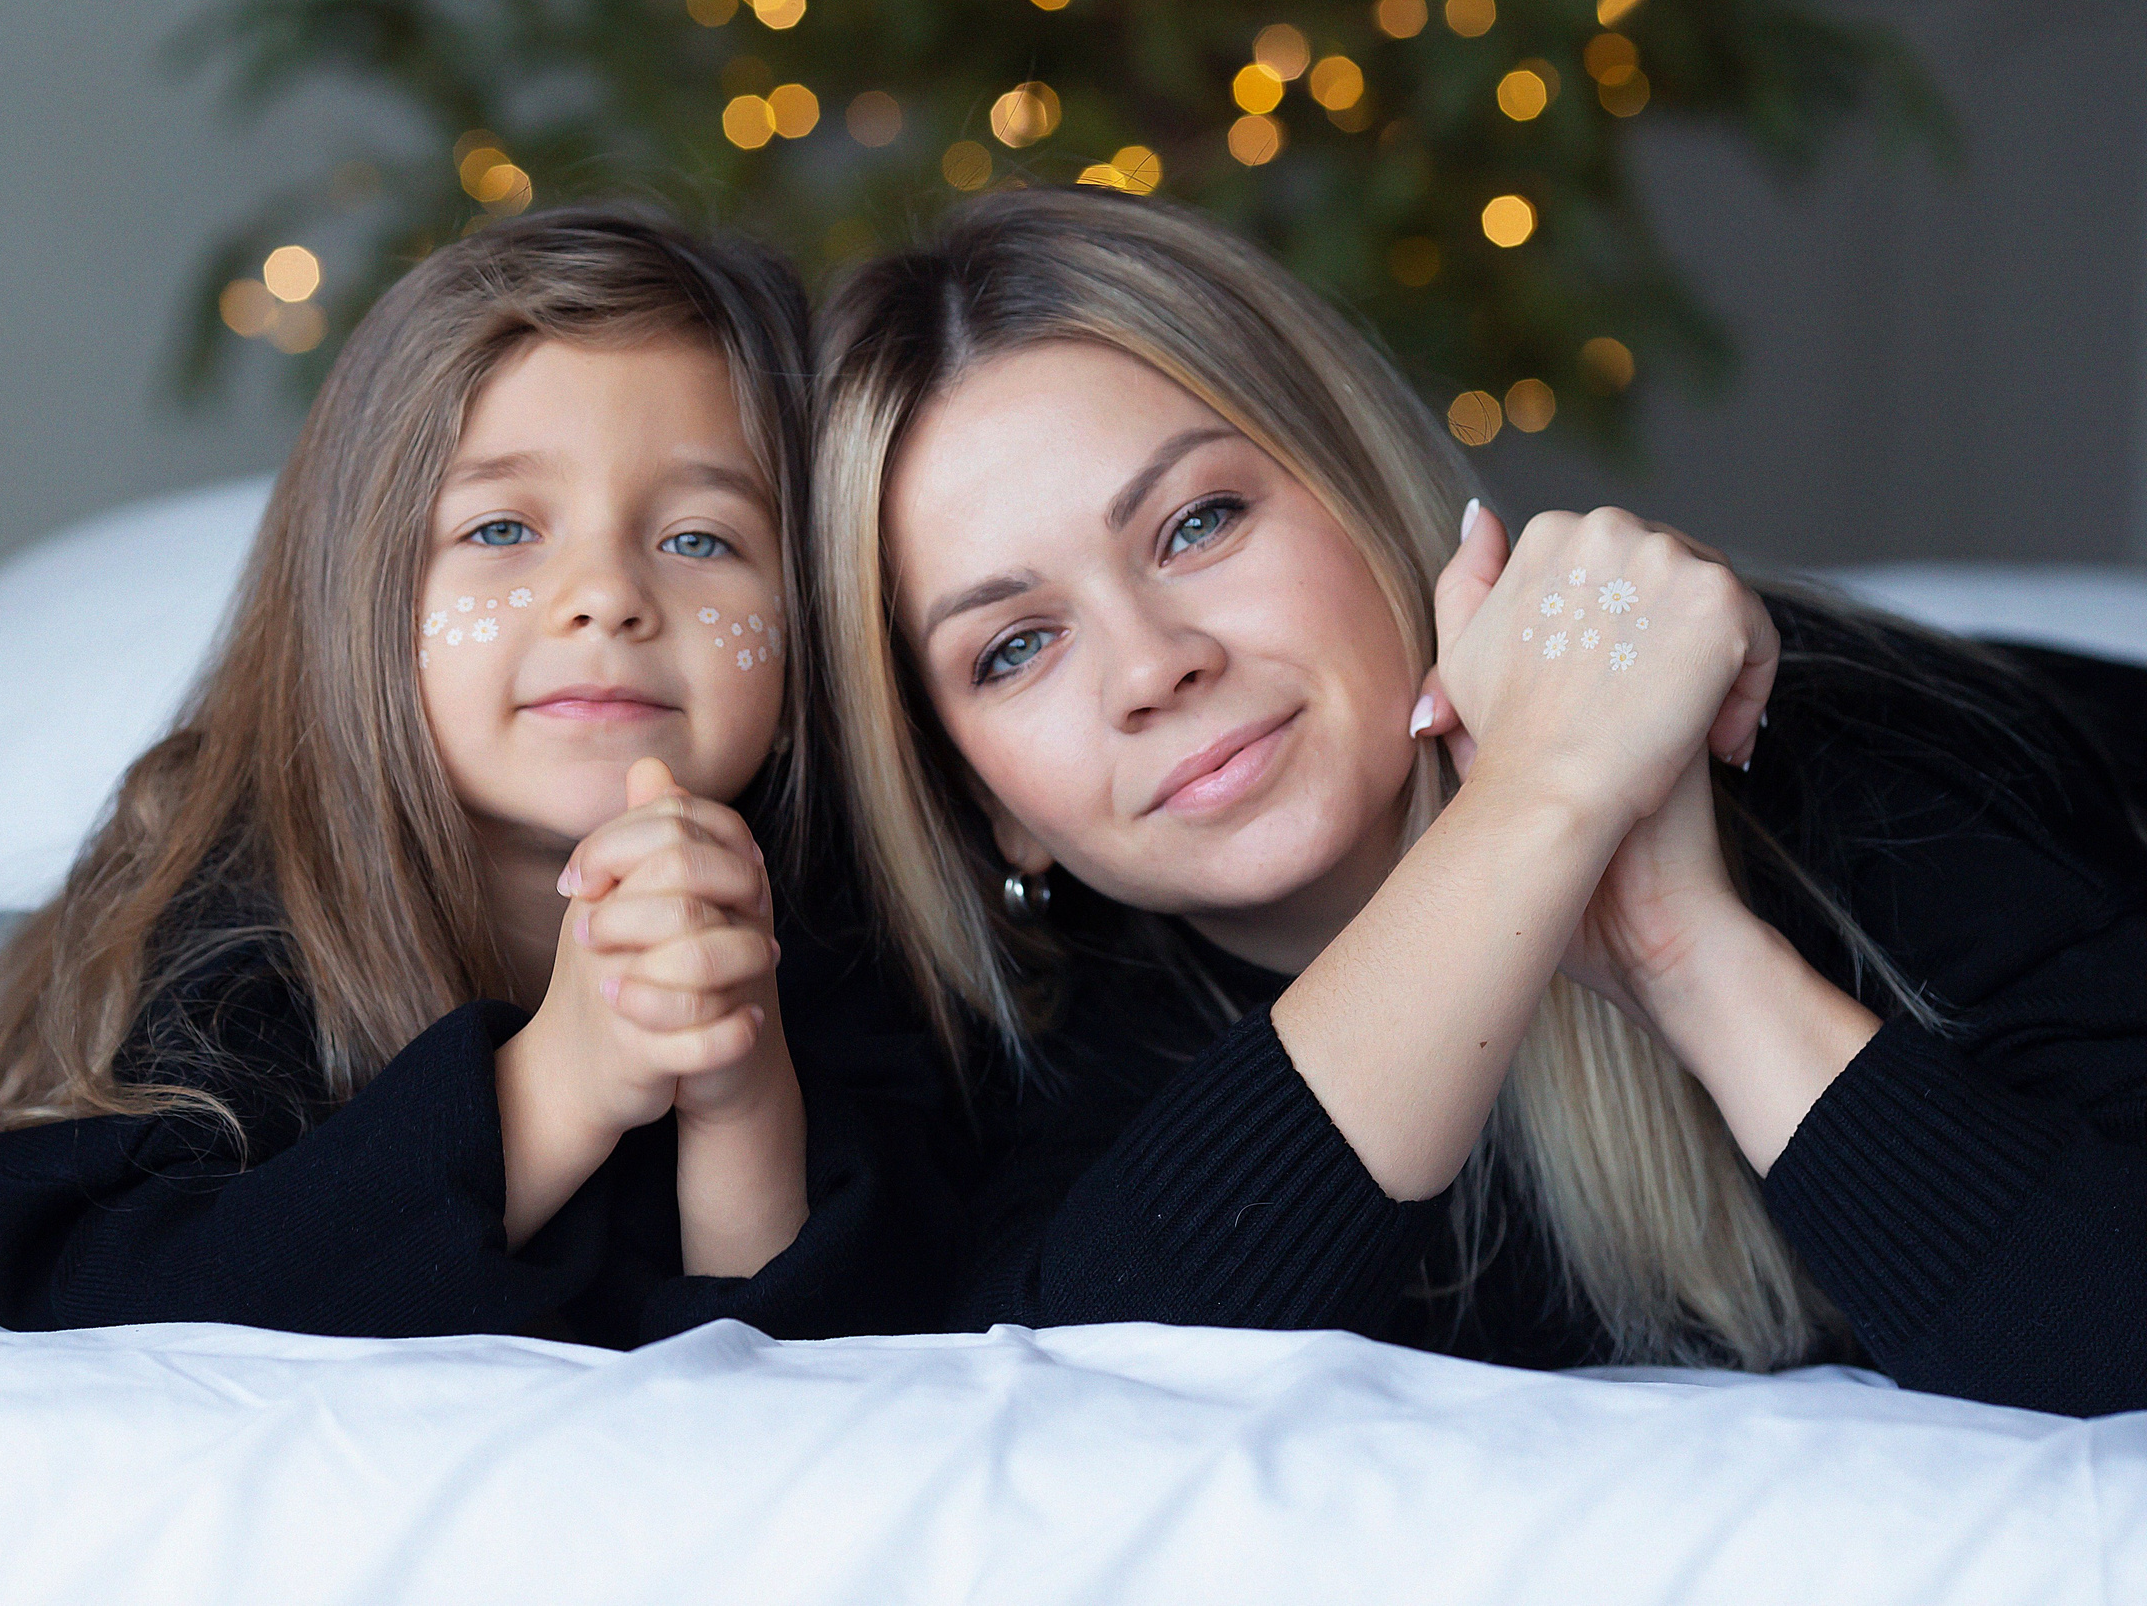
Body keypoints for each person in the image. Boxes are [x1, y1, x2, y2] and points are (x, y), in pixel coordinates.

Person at [809, 187, 2147, 1416]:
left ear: (1361, 487)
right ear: (994, 810)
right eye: (1013, 646)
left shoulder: (1816, 754)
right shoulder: (1035, 1063)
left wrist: (1682, 947)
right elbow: (1088, 1409)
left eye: (1198, 522)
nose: (1156, 664)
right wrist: (1538, 811)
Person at [0, 206, 957, 1345]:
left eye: (698, 540)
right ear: (361, 602)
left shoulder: (847, 940)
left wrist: (740, 1096)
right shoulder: (239, 927)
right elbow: (110, 1284)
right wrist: (558, 1086)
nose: (605, 593)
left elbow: (845, 1369)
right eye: (499, 530)